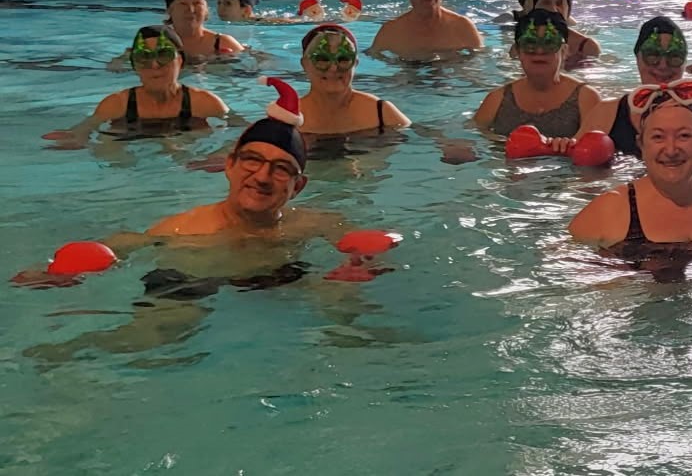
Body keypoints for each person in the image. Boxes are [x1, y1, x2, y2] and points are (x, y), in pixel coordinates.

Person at [15, 82, 395, 359]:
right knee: (157, 344)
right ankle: (65, 355)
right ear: (229, 166)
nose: (263, 177)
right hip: (191, 279)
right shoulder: (187, 229)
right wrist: (57, 271)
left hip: (277, 274)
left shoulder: (315, 223)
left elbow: (359, 246)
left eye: (281, 169)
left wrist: (359, 265)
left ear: (298, 186)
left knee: (343, 308)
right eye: (252, 161)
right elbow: (128, 242)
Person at [568, 83, 692, 249]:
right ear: (641, 145)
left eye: (684, 136)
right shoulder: (606, 213)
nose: (671, 150)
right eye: (658, 137)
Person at [44, 25, 229, 149]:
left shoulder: (205, 103)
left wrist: (221, 153)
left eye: (163, 55)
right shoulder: (116, 105)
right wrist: (76, 136)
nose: (154, 65)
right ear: (134, 66)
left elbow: (238, 133)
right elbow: (86, 128)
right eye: (144, 57)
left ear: (180, 61)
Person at [579, 17, 692, 158]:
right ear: (637, 58)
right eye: (652, 56)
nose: (663, 65)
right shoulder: (606, 112)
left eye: (674, 57)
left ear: (684, 62)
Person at [472, 9, 601, 140]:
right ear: (518, 51)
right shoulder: (497, 99)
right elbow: (474, 139)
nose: (539, 51)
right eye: (530, 43)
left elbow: (597, 146)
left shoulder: (586, 98)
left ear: (564, 51)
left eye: (549, 43)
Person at [297, 24, 411, 136]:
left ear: (355, 64)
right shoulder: (289, 118)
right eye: (322, 59)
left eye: (343, 59)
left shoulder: (382, 114)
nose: (333, 68)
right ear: (304, 64)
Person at [514, 0, 600, 63]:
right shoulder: (521, 45)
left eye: (559, 3)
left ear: (568, 10)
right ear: (535, 7)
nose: (553, 9)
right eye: (546, 2)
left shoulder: (587, 47)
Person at [162, 0, 244, 60]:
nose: (191, 10)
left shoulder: (224, 44)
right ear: (169, 10)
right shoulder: (156, 43)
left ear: (206, 10)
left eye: (197, 3)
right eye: (183, 4)